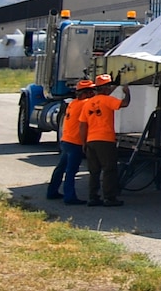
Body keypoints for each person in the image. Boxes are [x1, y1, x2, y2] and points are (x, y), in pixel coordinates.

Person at [80, 76, 130, 207]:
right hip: (105, 140)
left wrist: (84, 142)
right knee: (109, 169)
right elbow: (124, 104)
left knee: (94, 171)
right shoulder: (107, 100)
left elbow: (83, 125)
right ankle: (109, 198)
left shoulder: (88, 103)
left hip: (91, 140)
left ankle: (93, 197)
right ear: (106, 88)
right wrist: (127, 93)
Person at [44, 78, 92, 204]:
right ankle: (69, 197)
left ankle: (52, 191)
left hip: (66, 140)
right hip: (76, 142)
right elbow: (101, 99)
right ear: (86, 93)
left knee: (61, 168)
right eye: (92, 91)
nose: (93, 93)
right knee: (71, 170)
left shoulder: (73, 103)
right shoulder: (85, 103)